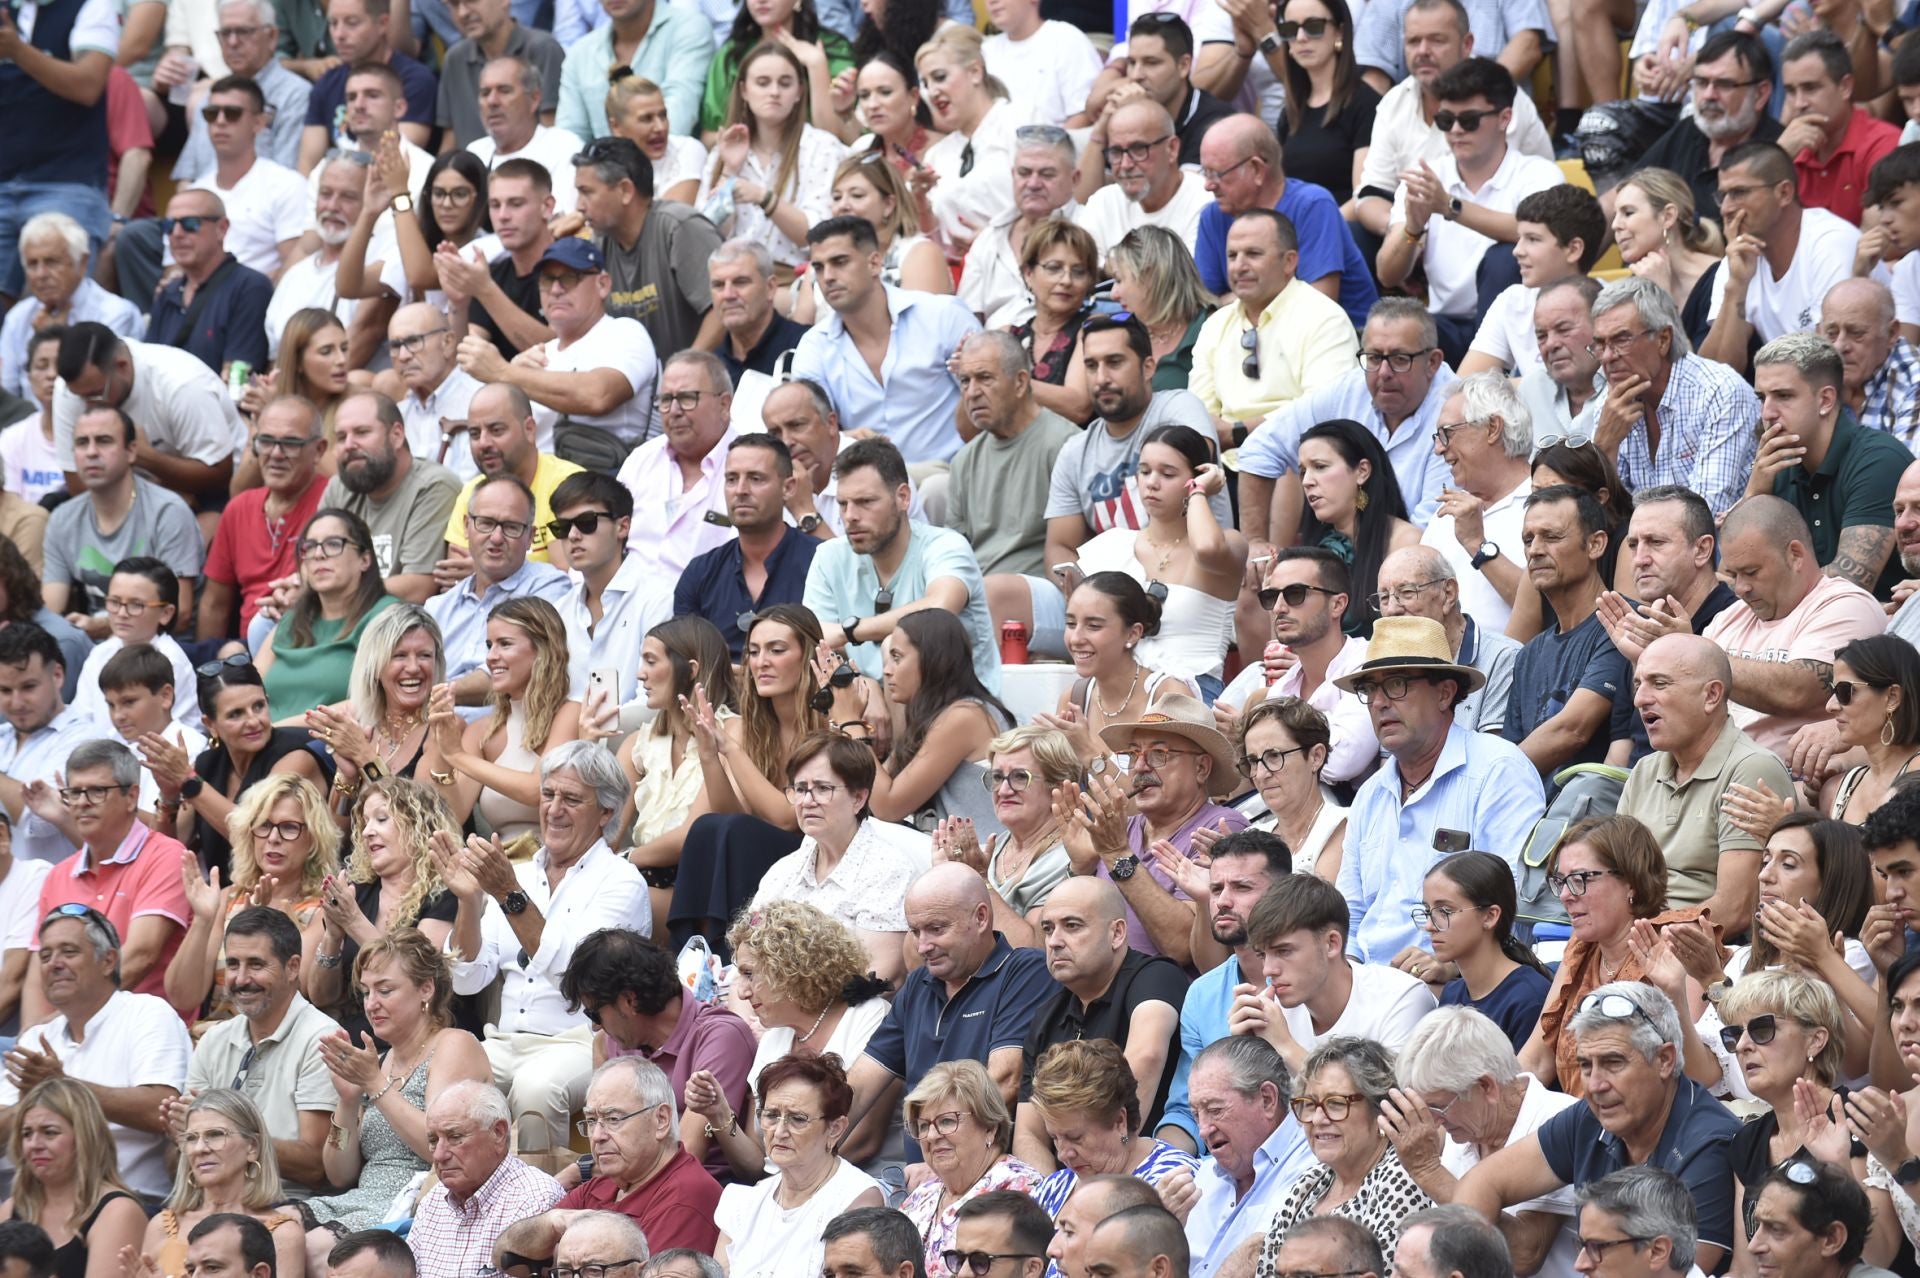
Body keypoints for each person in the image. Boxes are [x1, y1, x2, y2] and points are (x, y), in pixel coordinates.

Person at [435, 738, 645, 1149]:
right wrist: (468, 901)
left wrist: (509, 894)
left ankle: (542, 1203)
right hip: (504, 1039)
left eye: (571, 799)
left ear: (605, 812)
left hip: (580, 1040)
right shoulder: (519, 875)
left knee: (535, 1088)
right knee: (445, 1075)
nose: (553, 809)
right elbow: (467, 979)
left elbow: (578, 977)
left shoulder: (622, 882)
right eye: (548, 795)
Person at [1454, 981, 1742, 1274]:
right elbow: (1480, 1183)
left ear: (1664, 1060)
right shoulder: (1593, 1115)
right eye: (1586, 1066)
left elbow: (1676, 1272)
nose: (1594, 1085)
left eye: (1613, 1062)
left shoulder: (1708, 1142)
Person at [1331, 617, 1545, 964]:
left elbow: (1514, 901)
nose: (1379, 702)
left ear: (1445, 693)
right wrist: (1349, 982)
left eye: (1397, 685)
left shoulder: (1498, 769)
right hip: (1369, 985)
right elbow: (1350, 914)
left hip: (1454, 988)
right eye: (1369, 689)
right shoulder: (1370, 794)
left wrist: (1455, 968)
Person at [1375, 59, 1563, 366]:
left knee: (1504, 256)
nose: (1456, 131)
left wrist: (1449, 206)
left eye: (1470, 120)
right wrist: (1412, 228)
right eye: (1446, 120)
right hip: (1447, 325)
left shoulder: (1538, 173)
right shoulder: (1427, 177)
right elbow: (1387, 273)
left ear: (1505, 119)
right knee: (1395, 338)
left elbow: (1539, 231)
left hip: (1523, 328)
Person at [305, 929, 493, 1233]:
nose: (371, 1004)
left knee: (310, 1247)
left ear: (426, 989)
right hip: (358, 1201)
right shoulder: (380, 1061)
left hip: (412, 1211)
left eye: (385, 990)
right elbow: (338, 1175)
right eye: (366, 992)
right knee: (271, 1229)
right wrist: (348, 1101)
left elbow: (439, 1147)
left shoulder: (453, 1045)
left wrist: (375, 1085)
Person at [664, 606, 829, 951]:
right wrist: (711, 754)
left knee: (732, 831)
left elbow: (788, 818)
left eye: (777, 650)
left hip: (816, 854)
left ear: (808, 656)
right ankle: (694, 952)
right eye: (753, 651)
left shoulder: (827, 725)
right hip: (760, 857)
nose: (761, 662)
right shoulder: (743, 727)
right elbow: (727, 814)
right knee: (710, 826)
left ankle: (719, 953)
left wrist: (731, 751)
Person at [686, 900, 893, 1171]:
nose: (742, 993)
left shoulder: (868, 1017)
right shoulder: (774, 1039)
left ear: (790, 968)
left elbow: (862, 1142)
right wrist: (719, 1113)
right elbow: (757, 1164)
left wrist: (786, 1192)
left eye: (749, 974)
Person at [0, 907, 190, 1201]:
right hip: (44, 1205)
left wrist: (63, 1087)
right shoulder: (36, 1039)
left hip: (132, 1200)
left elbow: (162, 1109)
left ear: (108, 961)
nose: (54, 964)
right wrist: (32, 1103)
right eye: (46, 956)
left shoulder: (147, 1013)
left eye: (69, 951)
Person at [1382, 1008, 1581, 1277]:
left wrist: (1428, 1171)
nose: (1434, 1122)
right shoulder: (1467, 1128)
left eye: (1438, 1108)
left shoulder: (1557, 1119)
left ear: (1486, 1086)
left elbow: (1524, 1255)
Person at [1239, 298, 1459, 540]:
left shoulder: (1457, 413)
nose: (1384, 373)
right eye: (1374, 358)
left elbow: (1429, 533)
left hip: (1413, 565)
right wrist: (1255, 545)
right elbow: (1259, 449)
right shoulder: (1349, 389)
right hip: (1341, 554)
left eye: (1399, 359)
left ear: (1433, 363)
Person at [558, 926, 756, 1179]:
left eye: (594, 1012)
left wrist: (580, 1172)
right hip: (628, 1183)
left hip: (697, 1192)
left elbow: (686, 1156)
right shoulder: (607, 1042)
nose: (595, 1025)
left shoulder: (720, 1036)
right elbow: (603, 1145)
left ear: (629, 1001)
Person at [804, 437, 999, 690]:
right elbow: (816, 641)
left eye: (865, 502)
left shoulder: (946, 545)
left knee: (893, 649)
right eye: (843, 504)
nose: (850, 516)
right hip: (866, 709)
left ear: (903, 497)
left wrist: (849, 631)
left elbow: (938, 608)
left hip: (961, 708)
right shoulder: (829, 556)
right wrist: (860, 683)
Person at [1014, 879, 1189, 1161]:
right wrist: (1050, 1194)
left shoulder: (1155, 977)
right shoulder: (1047, 1016)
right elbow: (1028, 1133)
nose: (1054, 941)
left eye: (1072, 926)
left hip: (1141, 1172)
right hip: (1072, 1181)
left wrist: (1100, 1171)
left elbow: (1146, 1056)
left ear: (1117, 933)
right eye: (1048, 929)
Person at [1702, 495, 1887, 757]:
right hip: (1710, 774)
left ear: (1795, 554)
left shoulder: (1846, 605)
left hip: (1788, 782)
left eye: (1751, 571)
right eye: (1733, 575)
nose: (1741, 588)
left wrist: (1698, 659)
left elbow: (1796, 691)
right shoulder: (1729, 618)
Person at [788, 217, 980, 467]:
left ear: (874, 263)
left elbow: (991, 401)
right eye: (820, 267)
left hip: (953, 475)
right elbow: (808, 433)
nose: (828, 277)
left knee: (933, 489)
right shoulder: (814, 345)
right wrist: (843, 440)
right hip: (868, 488)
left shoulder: (942, 315)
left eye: (840, 262)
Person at [455, 238, 658, 468]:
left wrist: (504, 373)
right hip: (536, 488)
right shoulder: (539, 354)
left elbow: (599, 396)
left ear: (602, 284)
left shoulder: (624, 332)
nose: (555, 290)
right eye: (547, 280)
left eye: (569, 278)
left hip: (607, 483)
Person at [1074, 428, 1243, 699]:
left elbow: (1206, 549)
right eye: (1144, 471)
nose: (1151, 483)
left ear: (1198, 478)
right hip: (1118, 689)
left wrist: (1198, 492)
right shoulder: (1111, 546)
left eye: (1167, 474)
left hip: (1192, 694)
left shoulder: (1228, 543)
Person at [180, 906, 338, 1195]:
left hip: (284, 1205)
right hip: (209, 1201)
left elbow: (317, 1166)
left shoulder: (322, 1039)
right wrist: (181, 1139)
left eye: (255, 964)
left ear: (293, 967)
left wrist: (228, 1137)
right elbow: (177, 1168)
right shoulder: (214, 1040)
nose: (240, 979)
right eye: (232, 964)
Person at [1574, 277, 1761, 521]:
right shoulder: (1611, 404)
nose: (1608, 356)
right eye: (1599, 345)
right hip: (1643, 550)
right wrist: (1604, 447)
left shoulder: (1719, 392)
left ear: (1663, 340)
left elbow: (1704, 515)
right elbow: (1599, 519)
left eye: (1621, 340)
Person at [496, 1057, 723, 1257]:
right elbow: (506, 1256)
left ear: (661, 1120)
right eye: (592, 1120)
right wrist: (553, 1221)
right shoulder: (603, 1185)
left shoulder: (686, 1196)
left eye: (613, 1119)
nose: (597, 1136)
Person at [1747, 332, 1910, 597]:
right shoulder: (1775, 467)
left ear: (1825, 400)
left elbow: (1847, 588)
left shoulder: (1878, 460)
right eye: (1761, 398)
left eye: (1783, 396)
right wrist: (1754, 494)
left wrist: (1763, 588)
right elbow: (1733, 574)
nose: (1767, 412)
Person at [1251, 1037, 1434, 1270]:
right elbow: (1268, 1269)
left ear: (1380, 1108)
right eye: (1308, 1104)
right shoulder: (1309, 1184)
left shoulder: (1402, 1177)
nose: (1317, 1119)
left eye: (1336, 1103)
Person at [745, 732, 915, 982]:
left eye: (823, 789)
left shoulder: (888, 870)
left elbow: (876, 979)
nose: (807, 801)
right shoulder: (783, 871)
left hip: (840, 1014)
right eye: (800, 789)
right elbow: (747, 962)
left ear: (859, 798)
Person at [139, 658, 328, 882]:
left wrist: (189, 781)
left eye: (258, 706)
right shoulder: (207, 764)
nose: (253, 721)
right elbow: (172, 847)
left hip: (290, 897)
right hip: (225, 900)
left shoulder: (295, 758)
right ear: (211, 725)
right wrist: (169, 797)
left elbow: (256, 837)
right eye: (236, 714)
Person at [165, 774, 333, 1026]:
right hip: (216, 1044)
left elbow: (305, 993)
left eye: (289, 827)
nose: (273, 838)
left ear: (312, 839)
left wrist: (270, 926)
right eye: (263, 825)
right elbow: (182, 997)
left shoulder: (324, 909)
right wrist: (202, 920)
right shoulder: (226, 898)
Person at [1192, 114, 1377, 327]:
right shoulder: (1213, 217)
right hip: (1250, 344)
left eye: (1217, 173)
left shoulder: (1312, 206)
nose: (1208, 185)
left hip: (1340, 344)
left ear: (1257, 169)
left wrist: (1239, 300)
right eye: (1205, 172)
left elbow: (1317, 309)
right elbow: (1205, 309)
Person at [304, 777, 457, 1035]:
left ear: (417, 825)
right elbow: (320, 997)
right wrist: (332, 936)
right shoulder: (359, 891)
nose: (367, 831)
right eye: (365, 822)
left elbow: (414, 974)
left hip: (421, 1038)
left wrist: (353, 920)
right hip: (355, 1034)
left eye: (381, 819)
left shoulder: (445, 894)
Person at [1505, 485, 1639, 778]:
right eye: (1528, 540)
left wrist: (1495, 776)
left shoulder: (1623, 623)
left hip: (1591, 816)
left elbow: (1572, 730)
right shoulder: (1528, 655)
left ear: (1596, 545)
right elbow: (1512, 747)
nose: (1535, 550)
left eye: (1551, 537)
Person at [1190, 210, 1358, 442]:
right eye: (1232, 255)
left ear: (1289, 261)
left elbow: (1322, 413)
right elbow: (1200, 412)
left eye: (1253, 254)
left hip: (1296, 464)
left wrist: (1237, 432)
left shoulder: (1326, 319)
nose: (1239, 266)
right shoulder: (1215, 324)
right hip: (1222, 467)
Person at [50, 323, 250, 516]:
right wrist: (153, 498)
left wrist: (148, 459)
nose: (88, 405)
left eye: (95, 395)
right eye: (80, 397)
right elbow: (77, 483)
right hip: (131, 495)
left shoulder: (183, 385)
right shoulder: (71, 389)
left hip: (215, 494)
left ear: (122, 366)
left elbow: (220, 474)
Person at [713, 1054, 884, 1278]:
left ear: (835, 1129)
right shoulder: (744, 1203)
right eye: (772, 1115)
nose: (780, 1131)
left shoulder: (857, 1200)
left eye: (798, 1119)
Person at [1701, 142, 1862, 374]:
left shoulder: (1830, 242)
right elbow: (1715, 375)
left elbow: (1831, 363)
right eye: (1723, 196)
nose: (1726, 209)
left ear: (1784, 193)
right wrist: (1737, 286)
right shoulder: (1739, 256)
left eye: (1739, 193)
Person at [42, 407, 203, 634]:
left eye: (104, 441)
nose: (91, 452)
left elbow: (180, 612)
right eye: (81, 443)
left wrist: (99, 626)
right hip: (93, 648)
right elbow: (51, 609)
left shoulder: (167, 512)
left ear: (131, 451)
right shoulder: (62, 518)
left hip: (158, 649)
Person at [422, 479, 575, 709]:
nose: (496, 537)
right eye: (485, 523)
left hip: (504, 733)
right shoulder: (437, 607)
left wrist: (430, 694)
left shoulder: (549, 588)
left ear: (531, 537)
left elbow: (516, 673)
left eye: (511, 527)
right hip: (433, 727)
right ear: (466, 526)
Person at [1164, 1036, 1312, 1274]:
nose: (1203, 1129)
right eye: (1195, 1114)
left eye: (1215, 1110)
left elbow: (1258, 1257)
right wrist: (1163, 1231)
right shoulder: (1201, 1179)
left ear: (1267, 1099)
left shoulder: (1309, 1161)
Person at [696, 43, 847, 272]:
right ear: (744, 91)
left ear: (799, 92)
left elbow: (819, 235)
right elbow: (703, 234)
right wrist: (729, 170)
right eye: (763, 83)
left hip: (796, 280)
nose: (774, 92)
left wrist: (764, 198)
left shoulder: (822, 147)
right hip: (731, 279)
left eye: (785, 83)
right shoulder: (723, 151)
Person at [573, 136, 722, 363]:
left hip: (700, 386)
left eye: (587, 192)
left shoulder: (678, 227)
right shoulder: (599, 243)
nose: (578, 206)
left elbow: (722, 309)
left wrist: (683, 371)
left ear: (625, 190)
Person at [930, 725, 1080, 948]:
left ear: (1057, 787)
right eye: (998, 777)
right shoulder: (992, 847)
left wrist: (979, 880)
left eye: (1020, 777)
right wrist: (944, 879)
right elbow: (921, 952)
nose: (1003, 790)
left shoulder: (1071, 858)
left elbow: (1032, 950)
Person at [201, 398, 333, 643]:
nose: (276, 454)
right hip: (242, 653)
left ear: (319, 450)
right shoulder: (239, 508)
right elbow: (214, 604)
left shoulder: (333, 502)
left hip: (306, 641)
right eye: (266, 441)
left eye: (290, 443)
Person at [405, 1080, 564, 1278]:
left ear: (498, 1133)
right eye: (433, 1140)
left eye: (455, 1137)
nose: (439, 1155)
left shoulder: (535, 1198)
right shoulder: (433, 1202)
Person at [900, 1060, 1043, 1278]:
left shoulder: (1020, 1189)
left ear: (989, 1127)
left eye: (946, 1121)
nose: (931, 1136)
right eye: (923, 1125)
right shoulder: (921, 1196)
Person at [1023, 1036, 1199, 1211]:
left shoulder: (1174, 1181)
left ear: (1119, 1121)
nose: (1063, 1154)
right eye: (1054, 1138)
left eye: (1075, 1138)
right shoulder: (1052, 1189)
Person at [319, 390, 461, 604]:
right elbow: (314, 562)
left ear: (396, 435)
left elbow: (418, 588)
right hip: (342, 610)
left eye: (362, 432)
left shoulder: (433, 486)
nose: (349, 444)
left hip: (397, 623)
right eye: (341, 437)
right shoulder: (339, 488)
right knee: (264, 623)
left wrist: (335, 594)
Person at [1418, 373, 1534, 634]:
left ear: (1493, 428)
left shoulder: (1547, 501)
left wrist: (1476, 544)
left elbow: (1552, 607)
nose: (1438, 448)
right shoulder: (1444, 515)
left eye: (1447, 433)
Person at [258, 510, 401, 720]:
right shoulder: (292, 620)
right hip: (262, 741)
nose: (318, 554)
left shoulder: (386, 617)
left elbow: (378, 699)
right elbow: (248, 688)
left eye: (333, 544)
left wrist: (277, 733)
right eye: (309, 547)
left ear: (365, 559)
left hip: (326, 746)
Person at [143, 1090, 304, 1277]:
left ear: (252, 1146)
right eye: (192, 1138)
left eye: (216, 1134)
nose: (200, 1149)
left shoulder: (281, 1234)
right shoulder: (162, 1226)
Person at [1041, 574, 1190, 774]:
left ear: (1132, 633)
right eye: (1070, 624)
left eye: (1093, 626)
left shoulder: (1168, 695)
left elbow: (1168, 794)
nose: (1076, 638)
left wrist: (1087, 751)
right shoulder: (1074, 699)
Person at [613, 351, 738, 587]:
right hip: (628, 606)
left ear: (724, 404)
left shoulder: (752, 463)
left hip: (708, 613)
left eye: (687, 397)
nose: (675, 410)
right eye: (666, 400)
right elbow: (606, 535)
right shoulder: (642, 459)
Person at [1287, 421, 1420, 639]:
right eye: (1303, 471)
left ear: (1362, 471)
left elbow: (1411, 637)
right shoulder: (1316, 546)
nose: (1307, 481)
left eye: (1320, 466)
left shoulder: (1405, 543)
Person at [0, 1078, 146, 1277]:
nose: (35, 1144)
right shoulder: (11, 1209)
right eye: (27, 1134)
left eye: (49, 1133)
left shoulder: (118, 1211)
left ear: (85, 1138)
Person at [1460, 183, 1608, 379]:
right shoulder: (1512, 301)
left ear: (1573, 249)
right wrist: (1535, 390)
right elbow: (1465, 386)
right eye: (1520, 238)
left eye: (1533, 239)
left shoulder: (1612, 302)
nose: (1517, 251)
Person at [1630, 29, 1783, 217]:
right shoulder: (1689, 130)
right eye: (1701, 82)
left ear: (1760, 94)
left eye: (1725, 84)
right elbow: (1627, 194)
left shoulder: (1778, 151)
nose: (1709, 95)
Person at [1408, 855, 1552, 1051]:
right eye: (1427, 911)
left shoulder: (1528, 998)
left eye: (1445, 911)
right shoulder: (1453, 992)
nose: (1429, 925)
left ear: (1490, 916)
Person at [1374, 546, 1519, 734]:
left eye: (1407, 592)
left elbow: (1493, 757)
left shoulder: (1501, 658)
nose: (1392, 609)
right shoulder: (1388, 666)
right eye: (1384, 598)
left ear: (1448, 594)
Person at [0, 216, 139, 403]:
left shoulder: (115, 313)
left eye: (51, 262)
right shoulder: (18, 317)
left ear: (82, 264)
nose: (41, 274)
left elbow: (101, 390)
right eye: (33, 264)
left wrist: (55, 340)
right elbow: (6, 393)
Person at [1595, 487, 1741, 665]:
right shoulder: (1640, 632)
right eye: (1633, 545)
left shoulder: (1741, 622)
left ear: (1702, 550)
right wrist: (1638, 661)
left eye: (1656, 542)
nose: (1639, 560)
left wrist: (1687, 652)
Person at [912, 27, 1022, 256]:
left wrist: (992, 243)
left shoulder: (1017, 123)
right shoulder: (937, 154)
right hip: (958, 280)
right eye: (925, 83)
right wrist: (920, 201)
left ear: (975, 72)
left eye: (940, 77)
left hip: (1019, 266)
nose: (932, 91)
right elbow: (932, 241)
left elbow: (1051, 207)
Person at [141, 193, 274, 382]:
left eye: (190, 223)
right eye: (169, 226)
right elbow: (147, 369)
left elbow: (237, 376)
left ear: (222, 228)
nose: (177, 234)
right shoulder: (167, 292)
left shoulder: (250, 287)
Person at [960, 126, 1081, 330]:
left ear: (1074, 179)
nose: (1033, 184)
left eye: (1047, 174)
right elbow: (967, 319)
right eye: (1024, 173)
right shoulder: (990, 237)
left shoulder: (1089, 226)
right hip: (993, 353)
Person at [294, 0, 436, 171]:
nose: (339, 34)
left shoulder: (414, 80)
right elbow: (307, 165)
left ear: (383, 23)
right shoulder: (327, 82)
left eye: (352, 23)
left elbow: (398, 156)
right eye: (333, 23)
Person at [1779, 31, 1900, 227]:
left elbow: (1882, 242)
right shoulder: (1789, 148)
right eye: (1791, 91)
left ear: (1845, 87)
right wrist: (1779, 157)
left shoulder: (1883, 143)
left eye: (1810, 88)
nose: (1799, 103)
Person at [553, 0, 713, 145]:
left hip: (672, 171)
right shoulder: (580, 52)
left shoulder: (689, 28)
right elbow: (569, 140)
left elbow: (677, 122)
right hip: (603, 173)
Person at [1273, 0, 1380, 208]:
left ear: (1340, 32)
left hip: (1342, 231)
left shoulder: (1366, 104)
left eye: (1313, 27)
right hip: (1293, 230)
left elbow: (1364, 196)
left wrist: (1317, 225)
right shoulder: (1290, 112)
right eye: (1290, 29)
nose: (1301, 38)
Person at [1074, 101, 1210, 260]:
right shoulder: (1103, 201)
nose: (1125, 165)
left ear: (1172, 148)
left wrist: (1110, 268)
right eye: (1116, 152)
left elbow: (1183, 277)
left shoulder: (1204, 201)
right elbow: (1080, 264)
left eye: (1138, 149)